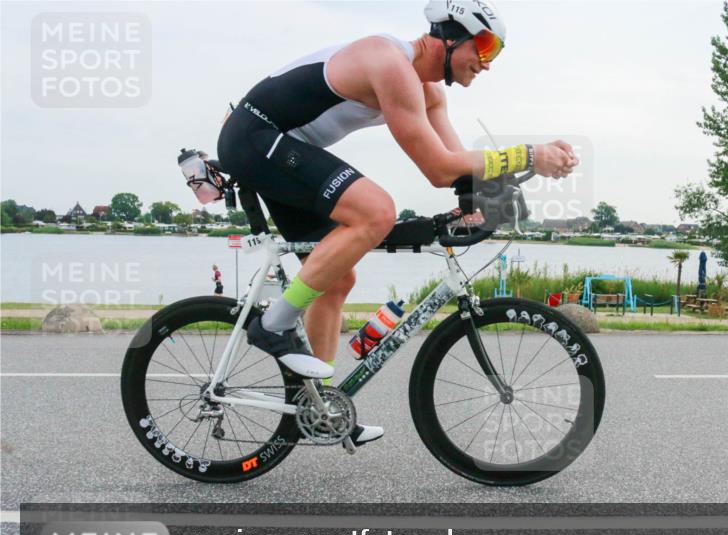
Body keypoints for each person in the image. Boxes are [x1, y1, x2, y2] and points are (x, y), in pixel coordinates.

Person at [217, 0, 578, 447]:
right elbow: (437, 168)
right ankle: (273, 325)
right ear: (450, 36)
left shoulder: (430, 92)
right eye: (484, 46)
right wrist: (528, 154)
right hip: (254, 137)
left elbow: (458, 167)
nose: (487, 62)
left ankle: (316, 407)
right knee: (376, 211)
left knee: (336, 278)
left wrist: (490, 195)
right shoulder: (390, 63)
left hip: (283, 148)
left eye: (496, 53)